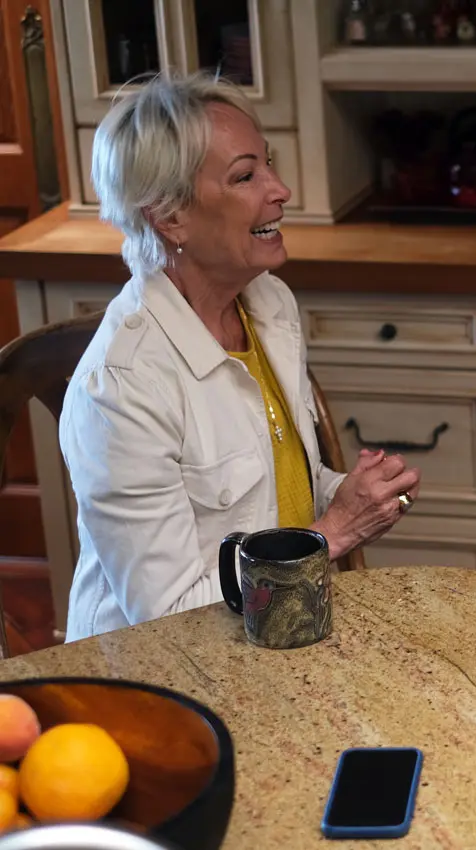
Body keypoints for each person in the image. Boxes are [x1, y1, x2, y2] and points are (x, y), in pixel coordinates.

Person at [60, 71, 421, 641]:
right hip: (160, 681)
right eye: (246, 176)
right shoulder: (120, 388)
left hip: (277, 639)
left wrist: (347, 495)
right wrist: (336, 533)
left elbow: (271, 499)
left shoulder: (267, 302)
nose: (280, 190)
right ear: (170, 215)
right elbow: (168, 618)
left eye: (268, 164)